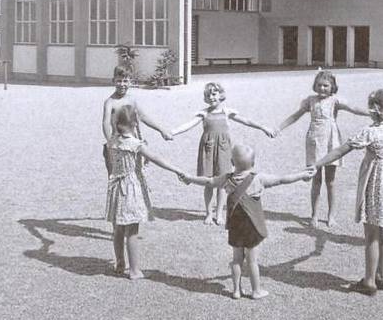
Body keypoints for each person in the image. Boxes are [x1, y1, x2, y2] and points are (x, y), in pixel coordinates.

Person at [313, 89, 383, 296]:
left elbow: (342, 149)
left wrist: (318, 164)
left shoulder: (370, 132)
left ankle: (368, 281)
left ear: (373, 110)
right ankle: (381, 275)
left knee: (371, 236)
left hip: (375, 185)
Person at [180, 144, 313, 299]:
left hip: (235, 226)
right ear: (253, 163)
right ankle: (256, 290)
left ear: (231, 161)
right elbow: (282, 180)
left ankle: (236, 290)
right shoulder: (259, 179)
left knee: (236, 259)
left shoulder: (227, 179)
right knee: (252, 260)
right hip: (252, 226)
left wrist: (190, 178)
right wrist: (302, 174)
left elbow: (209, 182)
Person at [170, 82, 277, 225]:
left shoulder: (227, 112)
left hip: (224, 150)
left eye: (214, 94)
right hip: (208, 150)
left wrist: (263, 127)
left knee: (222, 182)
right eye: (208, 95)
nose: (211, 97)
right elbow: (188, 124)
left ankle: (219, 213)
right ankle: (208, 213)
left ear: (221, 95)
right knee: (208, 182)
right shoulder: (204, 113)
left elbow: (246, 120)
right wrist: (172, 132)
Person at [275, 69, 369, 228]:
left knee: (330, 181)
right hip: (314, 141)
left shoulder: (335, 101)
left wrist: (372, 113)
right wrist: (279, 128)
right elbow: (295, 116)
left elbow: (354, 108)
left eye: (326, 85)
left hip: (331, 142)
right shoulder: (310, 101)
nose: (322, 88)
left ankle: (331, 215)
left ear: (332, 87)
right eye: (319, 85)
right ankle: (314, 214)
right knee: (315, 180)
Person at [104, 105, 184, 279]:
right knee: (132, 230)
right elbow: (157, 159)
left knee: (118, 228)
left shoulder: (112, 142)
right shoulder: (135, 144)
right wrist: (177, 170)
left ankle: (119, 263)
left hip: (117, 187)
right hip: (131, 188)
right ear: (135, 123)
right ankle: (134, 270)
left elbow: (114, 163)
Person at [102, 65, 172, 173]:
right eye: (119, 81)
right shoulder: (110, 102)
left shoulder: (132, 100)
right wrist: (110, 142)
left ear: (130, 82)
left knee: (136, 174)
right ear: (113, 81)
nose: (122, 84)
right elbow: (106, 122)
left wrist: (161, 130)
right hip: (118, 144)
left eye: (125, 81)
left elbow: (143, 117)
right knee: (119, 177)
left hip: (133, 142)